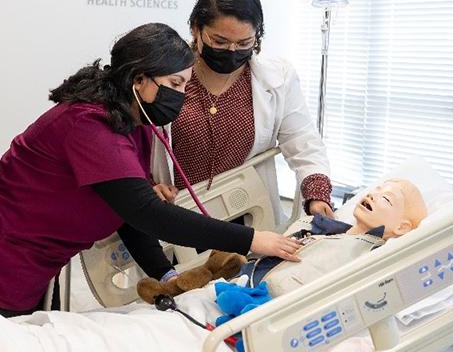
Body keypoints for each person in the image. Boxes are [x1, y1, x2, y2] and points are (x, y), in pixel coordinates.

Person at [0, 22, 301, 318]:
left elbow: (127, 214)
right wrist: (251, 239)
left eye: (185, 84)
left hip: (35, 263)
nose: (181, 95)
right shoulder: (89, 125)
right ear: (139, 79)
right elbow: (147, 212)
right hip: (11, 256)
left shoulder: (136, 123)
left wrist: (166, 276)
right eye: (174, 84)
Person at [151, 0, 334, 224]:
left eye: (245, 42)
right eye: (220, 41)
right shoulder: (164, 73)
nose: (232, 51)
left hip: (245, 216)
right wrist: (147, 185)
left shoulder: (277, 78)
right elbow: (131, 142)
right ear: (196, 29)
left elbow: (302, 141)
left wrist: (317, 193)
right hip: (177, 218)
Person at [242, 178, 428, 296]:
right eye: (375, 190)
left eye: (386, 199)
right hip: (242, 281)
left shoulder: (369, 256)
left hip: (269, 303)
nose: (372, 195)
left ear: (402, 227)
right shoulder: (314, 224)